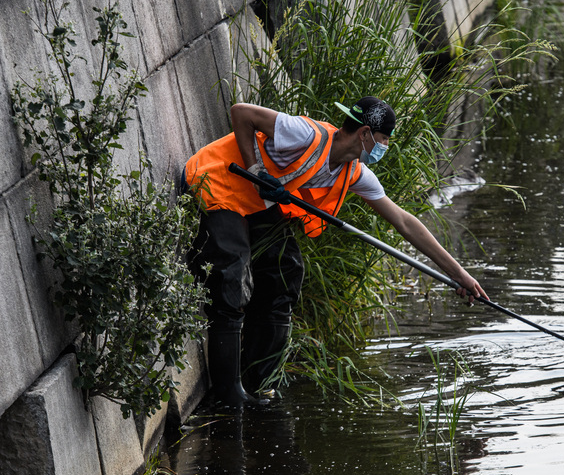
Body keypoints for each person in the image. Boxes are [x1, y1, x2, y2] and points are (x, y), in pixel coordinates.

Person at [183, 96, 488, 406]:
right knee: (230, 278)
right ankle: (228, 394)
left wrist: (459, 275)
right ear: (365, 133)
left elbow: (405, 223)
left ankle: (259, 382)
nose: (385, 147)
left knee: (284, 272)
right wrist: (257, 169)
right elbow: (241, 113)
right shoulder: (305, 134)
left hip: (254, 203)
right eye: (384, 139)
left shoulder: (353, 173)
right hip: (217, 181)